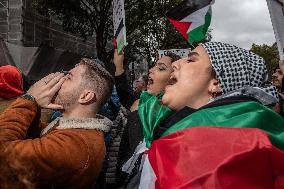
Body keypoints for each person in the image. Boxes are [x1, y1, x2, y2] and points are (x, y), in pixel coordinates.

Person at [136, 42, 284, 188]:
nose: (175, 63)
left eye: (191, 59)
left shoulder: (216, 159)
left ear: (216, 83)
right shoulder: (181, 137)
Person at [0, 58, 114, 189]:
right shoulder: (71, 130)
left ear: (85, 96)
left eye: (68, 77)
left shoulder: (75, 145)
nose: (59, 79)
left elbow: (3, 154)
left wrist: (29, 99)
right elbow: (34, 136)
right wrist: (35, 105)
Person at [112, 49, 180, 188]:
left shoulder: (173, 115)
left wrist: (137, 112)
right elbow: (126, 96)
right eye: (154, 65)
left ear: (174, 79)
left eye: (161, 68)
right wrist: (119, 66)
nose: (151, 70)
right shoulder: (144, 101)